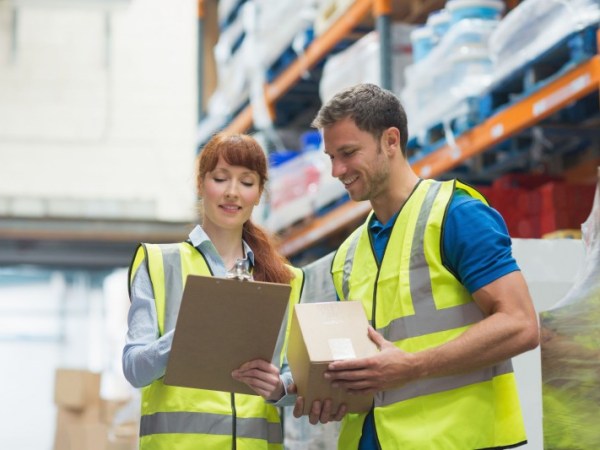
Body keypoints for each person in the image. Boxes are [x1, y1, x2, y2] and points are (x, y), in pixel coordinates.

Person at [292, 83, 540, 449]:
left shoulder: (455, 215)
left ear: (391, 141)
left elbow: (520, 324)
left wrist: (415, 365)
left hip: (458, 440)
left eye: (347, 153)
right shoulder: (347, 255)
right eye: (331, 157)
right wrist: (331, 395)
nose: (337, 170)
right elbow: (374, 366)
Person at [123, 132, 304, 450]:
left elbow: (296, 378)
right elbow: (135, 368)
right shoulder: (159, 262)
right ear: (200, 183)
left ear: (259, 193)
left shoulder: (286, 279)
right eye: (221, 179)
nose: (233, 193)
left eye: (247, 183)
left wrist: (280, 388)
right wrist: (184, 337)